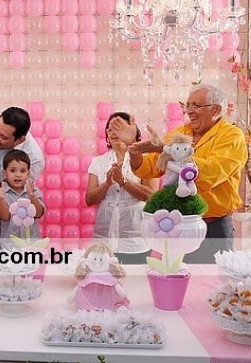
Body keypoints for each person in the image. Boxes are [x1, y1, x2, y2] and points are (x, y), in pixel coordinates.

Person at [109, 84, 248, 263]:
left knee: (212, 278)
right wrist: (133, 148)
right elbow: (150, 167)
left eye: (196, 106)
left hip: (214, 227)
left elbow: (212, 172)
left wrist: (168, 150)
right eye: (187, 105)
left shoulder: (232, 136)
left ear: (216, 110)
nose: (189, 111)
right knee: (176, 274)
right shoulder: (180, 133)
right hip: (177, 227)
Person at [85, 112, 158, 264]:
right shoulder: (98, 162)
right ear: (107, 136)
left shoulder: (146, 160)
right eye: (110, 129)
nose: (114, 132)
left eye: (119, 127)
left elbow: (151, 195)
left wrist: (123, 181)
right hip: (102, 240)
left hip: (136, 241)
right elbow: (89, 199)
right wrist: (107, 183)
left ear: (133, 132)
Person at [0, 149, 45, 249]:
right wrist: (1, 199)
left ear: (28, 174)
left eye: (22, 171)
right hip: (9, 246)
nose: (18, 174)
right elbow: (4, 217)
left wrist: (32, 196)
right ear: (4, 173)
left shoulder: (33, 190)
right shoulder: (1, 192)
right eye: (12, 170)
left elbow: (39, 214)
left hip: (32, 244)